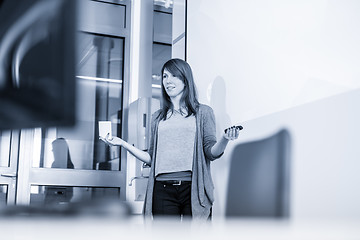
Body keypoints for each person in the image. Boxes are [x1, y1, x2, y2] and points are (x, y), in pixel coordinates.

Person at [101, 58, 240, 220]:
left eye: (174, 76)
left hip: (193, 189)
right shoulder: (157, 118)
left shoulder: (203, 112)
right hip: (162, 189)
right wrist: (122, 143)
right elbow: (152, 157)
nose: (168, 81)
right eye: (165, 76)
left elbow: (210, 152)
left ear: (185, 80)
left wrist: (224, 139)